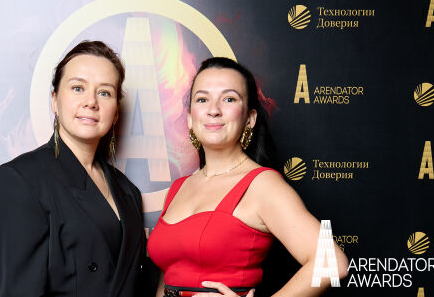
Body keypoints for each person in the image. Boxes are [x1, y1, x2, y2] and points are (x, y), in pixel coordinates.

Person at [147, 57, 348, 296]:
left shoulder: (263, 185)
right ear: (190, 118)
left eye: (229, 99)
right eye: (202, 99)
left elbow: (332, 262)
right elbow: (168, 278)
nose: (213, 110)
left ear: (250, 119)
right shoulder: (178, 188)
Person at [0, 40, 150, 297]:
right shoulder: (20, 180)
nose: (91, 102)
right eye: (77, 88)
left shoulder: (128, 191)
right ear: (54, 101)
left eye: (104, 93)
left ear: (116, 113)